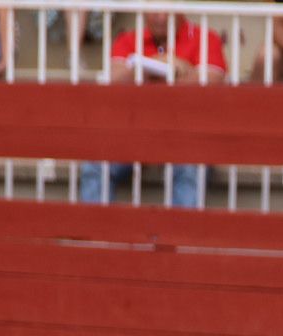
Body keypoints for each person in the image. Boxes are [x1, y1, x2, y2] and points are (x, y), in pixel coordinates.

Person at [79, 9, 227, 208]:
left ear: (180, 11)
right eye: (155, 12)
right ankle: (93, 236)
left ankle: (179, 238)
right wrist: (159, 65)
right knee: (95, 166)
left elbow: (213, 78)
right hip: (135, 134)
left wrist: (168, 70)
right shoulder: (129, 38)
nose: (160, 17)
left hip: (186, 136)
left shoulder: (205, 37)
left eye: (166, 12)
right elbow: (113, 78)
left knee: (190, 168)